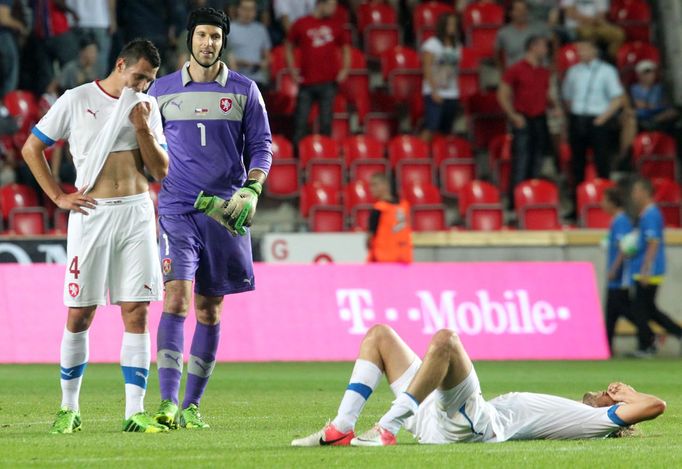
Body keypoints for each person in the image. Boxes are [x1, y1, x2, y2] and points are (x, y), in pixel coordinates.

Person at [21, 39, 170, 433]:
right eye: (139, 77)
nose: (143, 87)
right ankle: (69, 409)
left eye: (150, 81)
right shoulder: (76, 99)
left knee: (136, 312)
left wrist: (141, 128)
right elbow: (32, 148)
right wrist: (57, 196)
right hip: (92, 214)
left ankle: (133, 412)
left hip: (137, 214)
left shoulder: (147, 108)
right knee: (80, 313)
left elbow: (160, 170)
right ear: (120, 65)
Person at [147, 7, 272, 430]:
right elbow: (144, 147)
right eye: (202, 35)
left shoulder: (244, 90)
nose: (208, 43)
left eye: (215, 37)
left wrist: (252, 189)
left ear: (223, 42)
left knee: (210, 308)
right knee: (177, 297)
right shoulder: (161, 92)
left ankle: (191, 406)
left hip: (224, 212)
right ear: (189, 38)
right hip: (179, 207)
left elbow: (262, 147)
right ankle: (165, 403)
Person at [291, 324, 666, 447]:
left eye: (614, 393)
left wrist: (628, 396)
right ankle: (342, 427)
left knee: (447, 341)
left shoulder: (594, 422)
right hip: (435, 419)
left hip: (473, 424)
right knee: (379, 336)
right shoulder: (577, 410)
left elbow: (656, 406)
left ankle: (386, 428)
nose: (610, 388)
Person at [562, 40, 624, 212]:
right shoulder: (573, 72)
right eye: (579, 50)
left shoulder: (607, 71)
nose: (580, 53)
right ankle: (578, 206)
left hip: (598, 120)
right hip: (577, 119)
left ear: (594, 51)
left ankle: (607, 206)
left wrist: (602, 118)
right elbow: (567, 97)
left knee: (602, 164)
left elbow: (617, 99)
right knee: (577, 166)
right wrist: (573, 116)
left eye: (584, 49)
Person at [498, 35, 558, 207]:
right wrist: (513, 115)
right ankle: (515, 202)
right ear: (533, 47)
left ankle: (531, 199)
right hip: (522, 117)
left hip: (540, 118)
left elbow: (544, 95)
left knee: (536, 161)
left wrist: (551, 104)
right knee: (521, 161)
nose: (546, 51)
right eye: (544, 47)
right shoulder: (516, 69)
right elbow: (502, 94)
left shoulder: (544, 72)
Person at [628, 177, 682, 357]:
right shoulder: (647, 213)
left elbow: (653, 243)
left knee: (640, 309)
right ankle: (676, 333)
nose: (634, 195)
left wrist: (646, 269)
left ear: (644, 192)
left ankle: (647, 345)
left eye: (636, 191)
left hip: (649, 271)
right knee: (649, 309)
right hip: (645, 268)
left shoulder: (651, 214)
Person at [286, 0, 350, 147]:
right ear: (322, 4)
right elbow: (288, 45)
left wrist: (345, 69)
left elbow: (346, 48)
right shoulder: (301, 23)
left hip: (329, 83)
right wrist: (291, 68)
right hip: (306, 82)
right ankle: (298, 157)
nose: (335, 9)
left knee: (326, 123)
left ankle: (324, 155)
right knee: (300, 122)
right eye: (332, 5)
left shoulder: (336, 24)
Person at [601, 186, 639, 354]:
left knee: (621, 310)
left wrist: (614, 269)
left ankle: (648, 333)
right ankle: (606, 348)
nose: (602, 204)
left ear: (612, 202)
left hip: (619, 278)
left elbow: (625, 248)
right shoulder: (617, 220)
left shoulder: (621, 221)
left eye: (604, 200)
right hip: (615, 278)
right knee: (613, 313)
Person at [420, 13, 461, 143]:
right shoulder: (432, 44)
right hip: (435, 92)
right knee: (432, 126)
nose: (453, 27)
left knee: (445, 130)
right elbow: (426, 68)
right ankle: (420, 154)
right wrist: (433, 91)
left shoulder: (457, 46)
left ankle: (441, 155)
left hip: (451, 92)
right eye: (450, 24)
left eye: (455, 24)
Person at [366, 172, 413, 263]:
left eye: (374, 185)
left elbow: (370, 237)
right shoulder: (404, 206)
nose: (371, 189)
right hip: (404, 258)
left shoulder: (379, 208)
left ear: (385, 186)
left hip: (383, 259)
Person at [228, 0, 272, 89]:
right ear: (238, 10)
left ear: (255, 12)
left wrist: (263, 63)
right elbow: (224, 56)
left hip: (258, 79)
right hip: (236, 78)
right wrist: (240, 62)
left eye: (251, 9)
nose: (247, 12)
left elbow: (268, 56)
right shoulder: (229, 29)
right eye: (244, 9)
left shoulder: (261, 29)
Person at [495, 0, 551, 70]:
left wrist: (553, 63)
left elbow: (553, 42)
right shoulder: (503, 33)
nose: (522, 13)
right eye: (518, 10)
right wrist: (504, 72)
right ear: (511, 13)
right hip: (515, 75)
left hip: (539, 73)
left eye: (524, 9)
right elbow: (498, 54)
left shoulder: (539, 28)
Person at [66, 0, 117, 77]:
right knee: (100, 60)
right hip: (100, 19)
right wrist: (112, 20)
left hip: (76, 20)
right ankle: (97, 86)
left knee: (77, 60)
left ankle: (78, 87)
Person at [630, 60, 679, 133]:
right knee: (631, 113)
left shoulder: (659, 88)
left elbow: (664, 103)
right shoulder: (633, 88)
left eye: (652, 72)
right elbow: (637, 104)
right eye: (646, 72)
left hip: (658, 112)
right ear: (639, 75)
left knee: (673, 111)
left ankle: (653, 121)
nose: (650, 75)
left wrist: (651, 105)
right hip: (642, 113)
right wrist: (649, 105)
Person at [0, 0, 29, 97]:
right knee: (10, 76)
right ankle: (5, 107)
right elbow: (3, 18)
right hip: (3, 36)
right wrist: (20, 26)